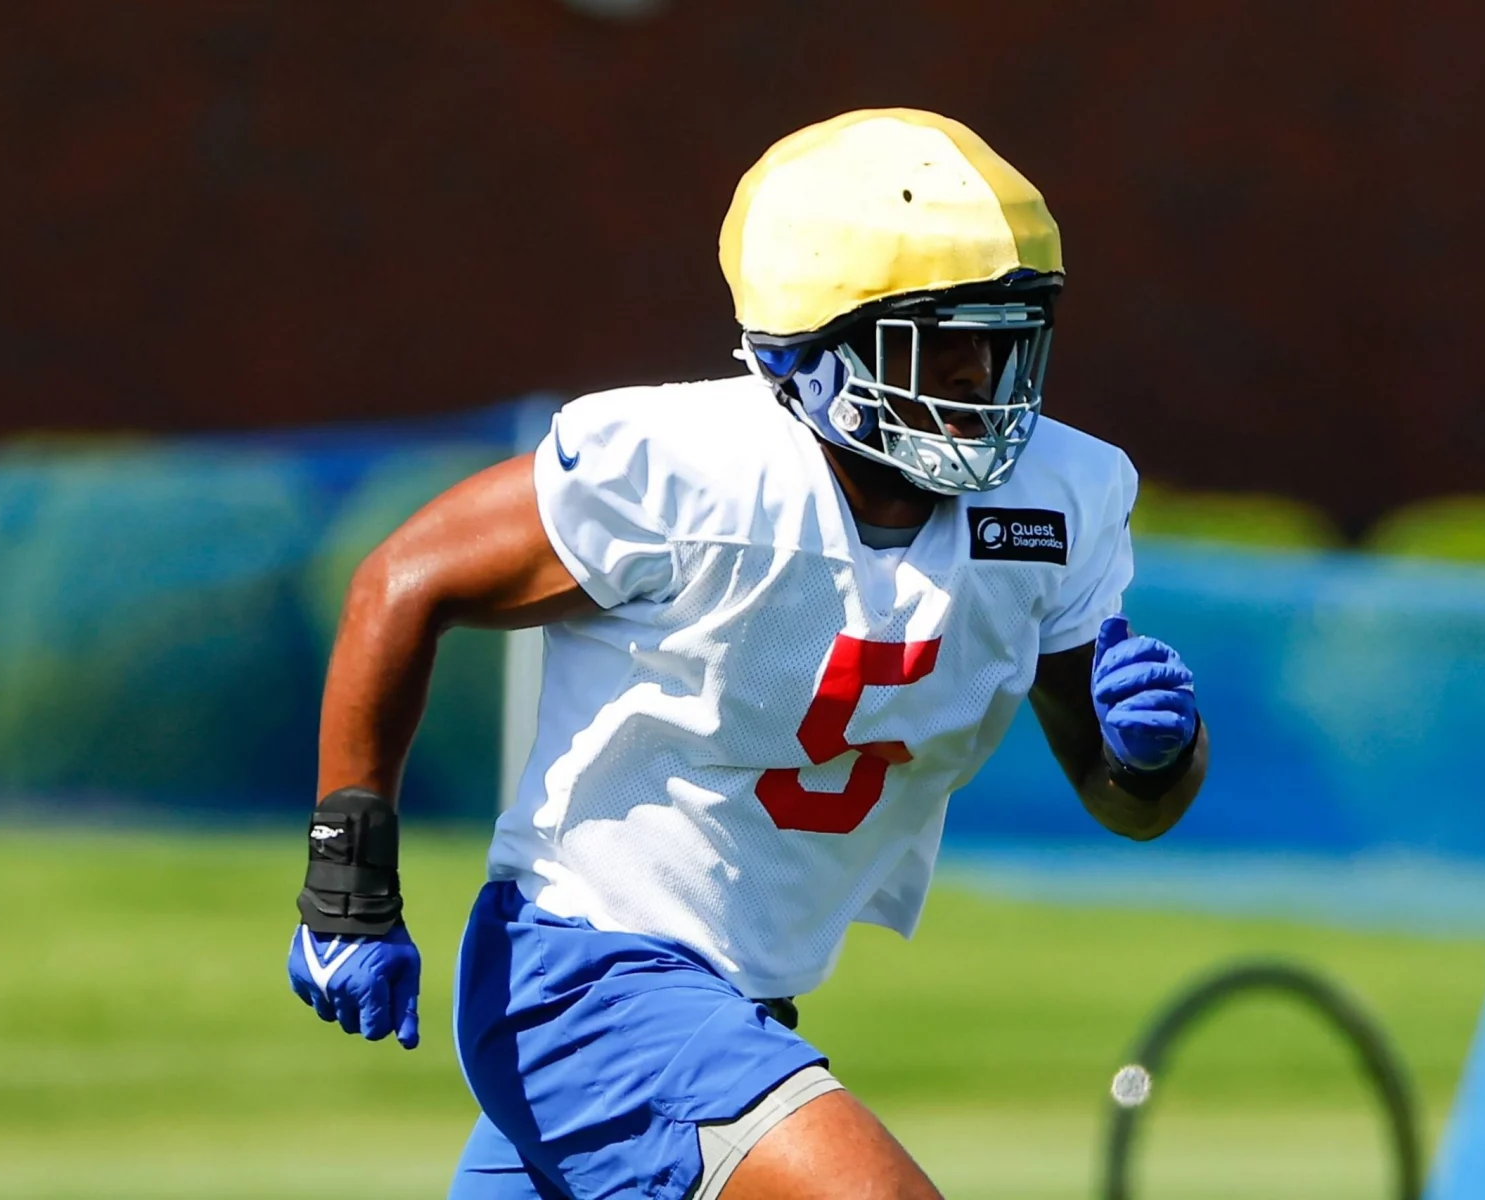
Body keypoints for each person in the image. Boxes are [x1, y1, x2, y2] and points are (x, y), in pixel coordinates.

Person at [286, 108, 1208, 1200]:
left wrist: (1160, 758)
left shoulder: (1061, 498)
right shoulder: (690, 471)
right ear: (815, 349)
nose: (980, 375)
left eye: (1009, 337)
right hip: (585, 977)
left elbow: (1125, 801)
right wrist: (346, 885)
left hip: (739, 1004)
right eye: (944, 339)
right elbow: (403, 581)